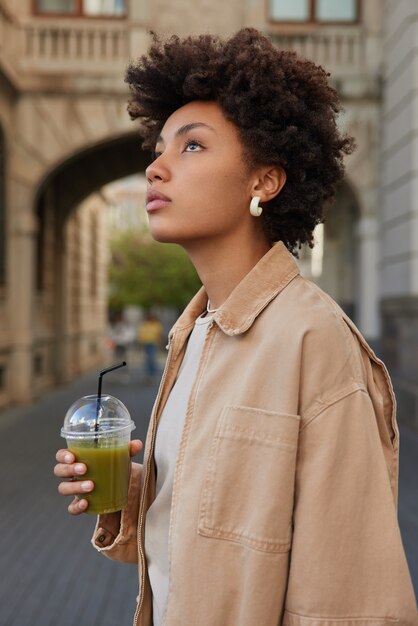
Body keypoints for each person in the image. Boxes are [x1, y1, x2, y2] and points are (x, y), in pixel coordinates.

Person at [54, 28, 418, 626]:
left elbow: (352, 596)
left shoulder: (314, 340)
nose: (157, 167)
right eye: (160, 147)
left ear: (264, 182)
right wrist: (141, 490)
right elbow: (235, 523)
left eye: (192, 147)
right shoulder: (194, 333)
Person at [137, 312, 163, 379]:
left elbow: (158, 334)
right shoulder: (145, 324)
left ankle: (152, 372)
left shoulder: (156, 324)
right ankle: (149, 372)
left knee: (152, 358)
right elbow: (141, 334)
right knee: (147, 359)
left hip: (153, 343)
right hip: (146, 343)